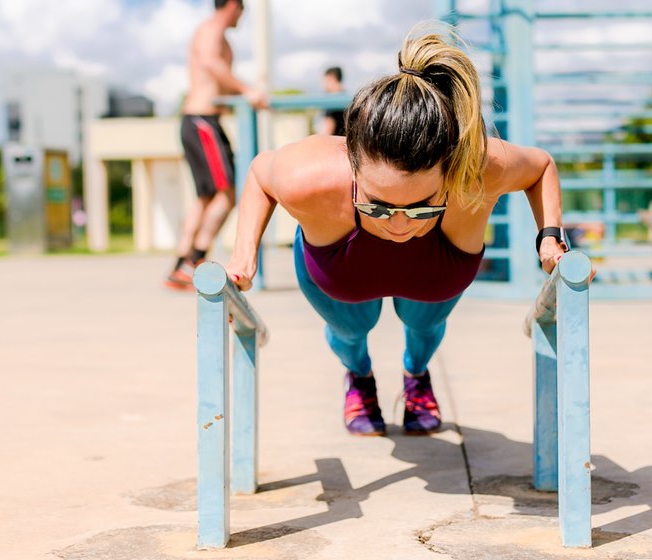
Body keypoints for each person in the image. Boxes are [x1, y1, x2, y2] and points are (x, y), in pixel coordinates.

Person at [226, 24, 572, 436]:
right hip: (341, 266)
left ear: (448, 168)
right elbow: (260, 174)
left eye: (422, 205)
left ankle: (416, 375)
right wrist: (243, 256)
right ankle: (359, 378)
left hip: (436, 267)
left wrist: (550, 235)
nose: (400, 224)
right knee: (351, 331)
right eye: (379, 204)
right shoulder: (310, 174)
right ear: (351, 163)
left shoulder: (477, 166)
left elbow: (541, 166)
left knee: (423, 327)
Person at [165, 0, 268, 290]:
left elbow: (216, 79)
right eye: (242, 10)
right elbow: (211, 64)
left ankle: (180, 265)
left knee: (206, 198)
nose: (243, 16)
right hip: (202, 122)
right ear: (232, 5)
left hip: (200, 121)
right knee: (228, 193)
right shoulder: (211, 30)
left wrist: (245, 94)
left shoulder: (214, 35)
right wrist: (248, 89)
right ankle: (193, 260)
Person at [319, 66, 347, 136]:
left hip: (333, 142)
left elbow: (328, 129)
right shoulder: (348, 99)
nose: (323, 85)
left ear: (331, 78)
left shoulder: (332, 101)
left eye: (325, 81)